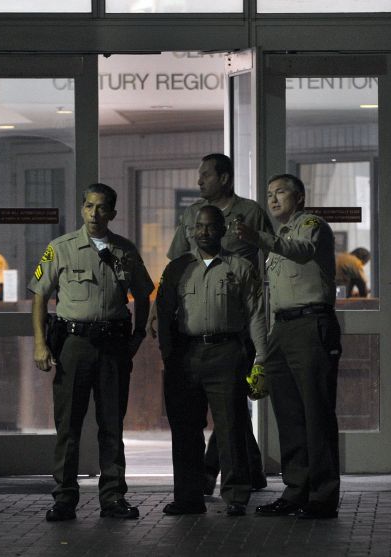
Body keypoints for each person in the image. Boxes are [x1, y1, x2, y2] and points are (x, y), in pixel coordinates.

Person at [29, 183, 154, 522]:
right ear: (82, 209)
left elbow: (144, 294)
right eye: (89, 207)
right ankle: (64, 498)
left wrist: (138, 335)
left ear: (112, 213)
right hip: (75, 344)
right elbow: (40, 294)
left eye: (101, 208)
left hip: (113, 344)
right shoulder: (61, 248)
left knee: (111, 423)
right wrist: (40, 343)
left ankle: (113, 498)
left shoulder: (125, 251)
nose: (94, 214)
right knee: (68, 425)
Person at [153, 153, 271, 495]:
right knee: (226, 412)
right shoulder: (191, 214)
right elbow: (175, 267)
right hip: (193, 330)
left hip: (236, 326)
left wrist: (263, 333)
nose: (199, 180)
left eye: (205, 175)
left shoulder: (251, 212)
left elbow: (270, 259)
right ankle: (244, 473)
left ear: (226, 178)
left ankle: (230, 480)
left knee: (231, 408)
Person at [236, 173, 342, 519]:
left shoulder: (313, 226)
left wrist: (260, 239)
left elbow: (303, 252)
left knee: (316, 414)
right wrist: (263, 350)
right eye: (269, 194)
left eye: (281, 192)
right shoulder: (277, 239)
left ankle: (323, 496)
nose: (274, 199)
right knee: (289, 415)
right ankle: (296, 490)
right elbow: (269, 298)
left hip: (311, 324)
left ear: (299, 197)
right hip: (282, 329)